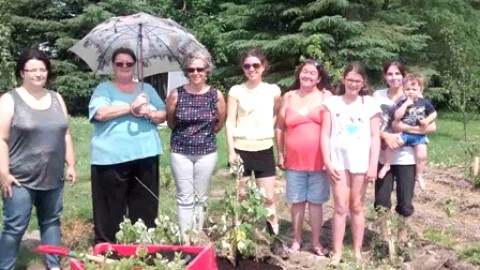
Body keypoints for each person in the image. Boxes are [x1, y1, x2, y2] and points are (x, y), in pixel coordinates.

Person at [0, 48, 76, 270]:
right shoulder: (9, 100)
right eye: (32, 70)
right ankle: (6, 266)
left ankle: (53, 266)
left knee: (51, 222)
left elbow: (66, 133)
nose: (38, 74)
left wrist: (70, 164)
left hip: (53, 176)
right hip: (19, 178)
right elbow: (1, 139)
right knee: (15, 226)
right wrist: (3, 173)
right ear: (22, 73)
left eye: (42, 69)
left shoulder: (56, 98)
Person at [88, 47, 166, 244]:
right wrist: (131, 107)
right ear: (113, 66)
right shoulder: (103, 89)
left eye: (129, 64)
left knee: (145, 208)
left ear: (135, 66)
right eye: (120, 63)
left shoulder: (146, 90)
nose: (124, 67)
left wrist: (151, 113)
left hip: (145, 154)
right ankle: (108, 250)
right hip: (110, 158)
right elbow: (100, 113)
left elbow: (163, 113)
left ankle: (142, 247)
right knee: (110, 209)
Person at [321, 61, 381, 265]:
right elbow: (325, 134)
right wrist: (327, 161)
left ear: (363, 82)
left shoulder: (370, 104)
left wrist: (373, 165)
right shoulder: (333, 103)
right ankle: (336, 252)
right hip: (338, 161)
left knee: (357, 206)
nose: (353, 84)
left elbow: (375, 136)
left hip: (361, 162)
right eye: (350, 80)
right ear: (344, 80)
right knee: (339, 206)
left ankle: (357, 251)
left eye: (357, 80)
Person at [166, 49, 226, 245]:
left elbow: (219, 122)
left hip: (206, 153)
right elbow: (171, 122)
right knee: (185, 197)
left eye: (200, 69)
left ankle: (196, 238)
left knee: (201, 197)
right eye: (191, 69)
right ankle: (185, 241)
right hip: (181, 152)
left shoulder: (216, 95)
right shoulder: (176, 94)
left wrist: (204, 136)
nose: (195, 73)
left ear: (207, 70)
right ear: (186, 71)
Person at [374, 60, 436, 242]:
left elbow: (431, 127)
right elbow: (369, 125)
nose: (394, 78)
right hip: (383, 154)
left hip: (407, 157)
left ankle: (402, 240)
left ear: (403, 76)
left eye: (397, 74)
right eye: (390, 74)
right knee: (382, 202)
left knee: (405, 203)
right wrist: (386, 136)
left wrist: (402, 129)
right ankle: (384, 239)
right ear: (385, 76)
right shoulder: (377, 96)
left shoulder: (414, 93)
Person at [275, 59, 332, 255]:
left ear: (319, 78)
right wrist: (280, 152)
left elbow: (333, 129)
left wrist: (329, 159)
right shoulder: (288, 97)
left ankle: (316, 242)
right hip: (294, 162)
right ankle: (297, 241)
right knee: (297, 201)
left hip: (319, 162)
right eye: (304, 72)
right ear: (299, 74)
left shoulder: (326, 97)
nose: (307, 76)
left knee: (316, 203)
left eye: (312, 73)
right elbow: (280, 127)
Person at [225, 48, 282, 242]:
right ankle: (239, 239)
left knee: (268, 198)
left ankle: (275, 240)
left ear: (264, 67)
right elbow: (230, 121)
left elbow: (277, 113)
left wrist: (266, 130)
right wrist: (231, 150)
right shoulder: (236, 91)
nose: (251, 69)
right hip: (241, 150)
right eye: (247, 65)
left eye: (256, 65)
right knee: (240, 197)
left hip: (264, 149)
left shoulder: (273, 91)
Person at [377, 73, 437, 190]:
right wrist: (405, 105)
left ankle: (419, 175)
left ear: (421, 89)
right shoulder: (402, 102)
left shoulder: (424, 102)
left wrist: (426, 121)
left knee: (422, 155)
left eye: (414, 89)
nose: (411, 92)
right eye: (408, 89)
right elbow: (397, 116)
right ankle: (387, 165)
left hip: (419, 137)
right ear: (404, 90)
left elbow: (434, 114)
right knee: (392, 146)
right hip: (404, 134)